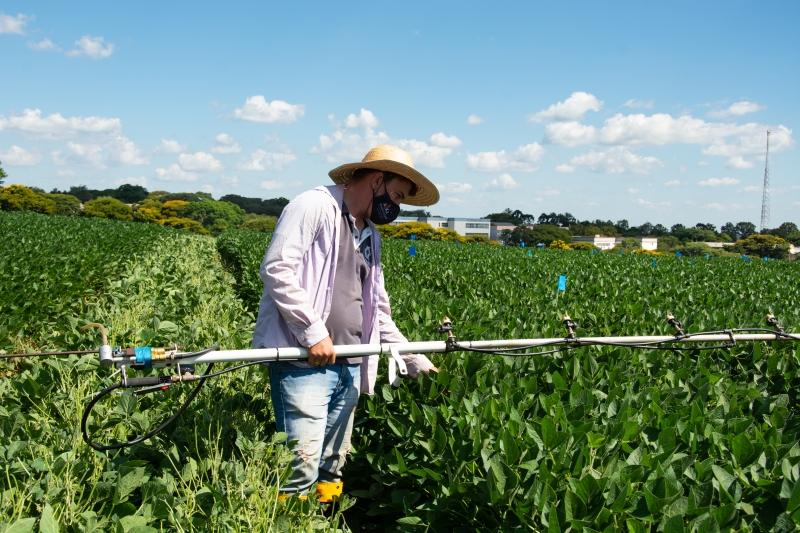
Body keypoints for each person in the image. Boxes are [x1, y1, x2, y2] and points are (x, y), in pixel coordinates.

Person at [252, 145, 440, 501]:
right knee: (300, 466)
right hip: (305, 362)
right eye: (397, 196)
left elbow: (378, 312)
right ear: (377, 180)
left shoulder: (371, 235)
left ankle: (323, 521)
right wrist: (313, 333)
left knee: (332, 464)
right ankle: (290, 523)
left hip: (352, 363)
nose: (396, 208)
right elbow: (277, 268)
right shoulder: (314, 206)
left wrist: (415, 360)